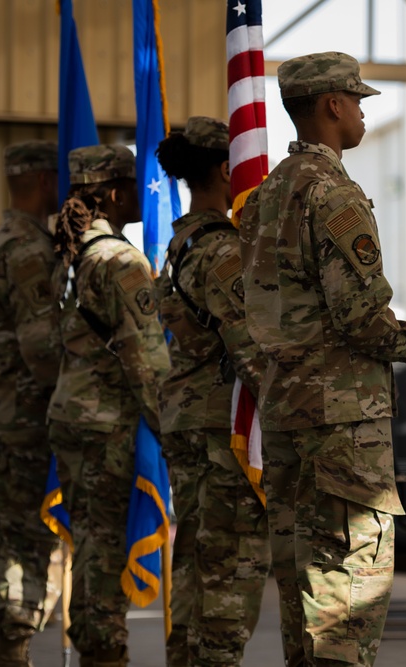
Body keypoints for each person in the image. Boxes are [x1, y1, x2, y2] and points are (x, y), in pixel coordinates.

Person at [239, 52, 406, 667]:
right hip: (341, 423)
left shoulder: (266, 195)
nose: (364, 112)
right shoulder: (332, 193)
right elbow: (362, 321)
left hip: (287, 413)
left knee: (303, 589)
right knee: (348, 597)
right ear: (332, 105)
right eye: (358, 100)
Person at [155, 117, 272, 667]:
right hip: (219, 426)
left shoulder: (180, 241)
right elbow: (249, 346)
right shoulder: (222, 250)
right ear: (230, 170)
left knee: (197, 559)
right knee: (230, 564)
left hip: (186, 417)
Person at [49, 144, 171, 667]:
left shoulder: (71, 257)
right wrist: (172, 430)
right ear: (117, 193)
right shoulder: (120, 259)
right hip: (108, 428)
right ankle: (103, 654)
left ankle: (98, 647)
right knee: (102, 553)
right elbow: (146, 359)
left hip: (73, 418)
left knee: (91, 548)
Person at [0, 140, 62, 666]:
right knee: (22, 547)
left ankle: (6, 650)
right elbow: (41, 347)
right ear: (46, 181)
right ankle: (12, 653)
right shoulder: (29, 248)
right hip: (22, 421)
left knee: (0, 540)